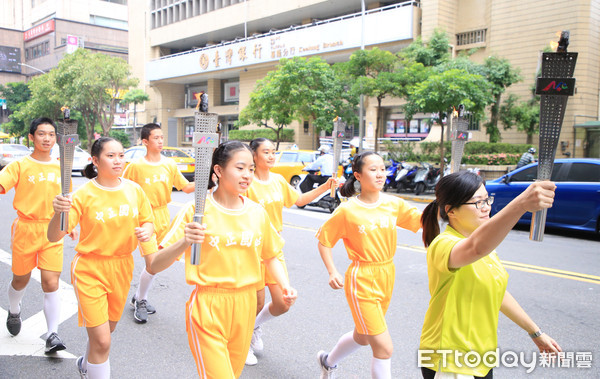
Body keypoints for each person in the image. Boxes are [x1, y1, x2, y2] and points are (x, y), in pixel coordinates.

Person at [150, 140, 297, 378]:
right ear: (218, 170)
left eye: (250, 169)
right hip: (209, 305)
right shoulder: (196, 210)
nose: (247, 175)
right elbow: (154, 264)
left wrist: (285, 286)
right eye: (240, 168)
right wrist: (185, 241)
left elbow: (271, 255)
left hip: (246, 305)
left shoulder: (256, 212)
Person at [419, 171, 561, 378]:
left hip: (481, 356)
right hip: (449, 358)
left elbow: (497, 290)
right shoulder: (443, 245)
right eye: (477, 202)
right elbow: (475, 248)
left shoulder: (487, 248)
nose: (487, 207)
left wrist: (535, 332)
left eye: (487, 199)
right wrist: (521, 204)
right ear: (451, 211)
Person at [48, 137, 157, 379]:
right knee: (103, 341)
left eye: (121, 155)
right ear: (95, 161)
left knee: (107, 331)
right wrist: (59, 213)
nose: (118, 160)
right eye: (111, 156)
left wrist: (148, 230)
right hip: (90, 268)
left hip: (122, 266)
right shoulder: (82, 194)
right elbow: (54, 235)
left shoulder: (134, 190)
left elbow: (147, 220)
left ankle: (86, 364)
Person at [315, 151, 422, 378]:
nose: (380, 174)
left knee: (363, 336)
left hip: (387, 274)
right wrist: (332, 271)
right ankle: (329, 362)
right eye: (373, 170)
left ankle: (328, 361)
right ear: (358, 176)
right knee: (383, 347)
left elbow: (423, 222)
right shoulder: (347, 210)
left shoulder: (394, 204)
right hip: (361, 278)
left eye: (382, 169)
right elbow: (324, 241)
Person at [244, 138, 336, 365]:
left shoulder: (277, 180)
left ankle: (254, 326)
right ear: (253, 156)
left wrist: (325, 187)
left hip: (273, 250)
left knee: (283, 303)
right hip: (251, 249)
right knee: (255, 302)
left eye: (273, 152)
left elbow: (300, 200)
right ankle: (244, 341)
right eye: (266, 152)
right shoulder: (246, 183)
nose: (271, 156)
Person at [0, 117, 76, 354]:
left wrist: (69, 222)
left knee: (51, 282)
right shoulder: (20, 166)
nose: (47, 138)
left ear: (57, 138)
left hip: (53, 230)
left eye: (51, 134)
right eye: (41, 134)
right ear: (31, 137)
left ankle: (52, 334)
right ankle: (14, 311)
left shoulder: (61, 167)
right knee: (20, 279)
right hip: (26, 229)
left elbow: (68, 199)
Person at [122, 123, 194, 323]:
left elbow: (185, 187)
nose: (161, 141)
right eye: (156, 138)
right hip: (144, 218)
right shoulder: (136, 166)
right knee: (152, 263)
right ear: (145, 141)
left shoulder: (169, 164)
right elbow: (123, 188)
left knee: (161, 261)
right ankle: (141, 300)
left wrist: (211, 181)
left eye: (162, 137)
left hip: (163, 216)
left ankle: (137, 297)